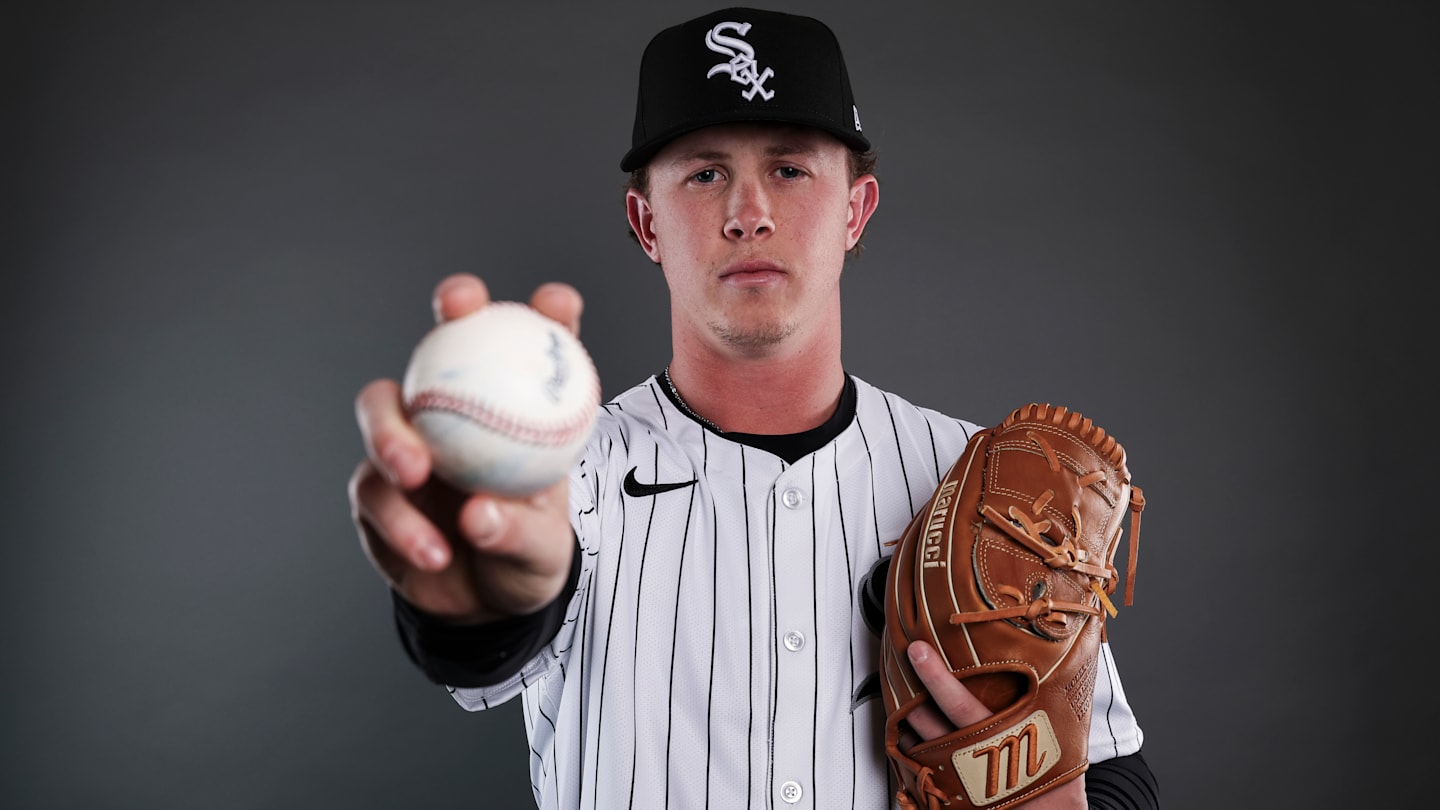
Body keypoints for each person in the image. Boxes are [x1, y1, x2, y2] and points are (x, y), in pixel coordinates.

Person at [349, 7, 1159, 809]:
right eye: (704, 174)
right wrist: (479, 598)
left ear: (855, 209)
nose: (749, 213)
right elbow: (482, 640)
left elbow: (1117, 772)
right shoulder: (564, 479)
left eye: (790, 169)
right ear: (646, 223)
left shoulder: (979, 481)